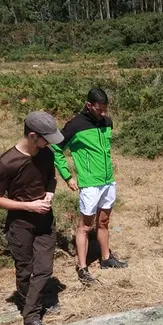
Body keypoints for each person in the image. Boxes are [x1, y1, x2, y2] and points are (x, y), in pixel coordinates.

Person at [0, 111, 65, 325]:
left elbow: (51, 179)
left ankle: (30, 317)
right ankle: (31, 304)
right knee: (25, 271)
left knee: (44, 269)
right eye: (46, 139)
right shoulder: (6, 162)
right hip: (20, 224)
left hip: (45, 221)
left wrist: (50, 194)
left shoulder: (46, 154)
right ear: (33, 136)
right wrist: (29, 206)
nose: (49, 144)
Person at [52, 87, 126, 285]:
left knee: (103, 222)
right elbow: (56, 149)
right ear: (88, 105)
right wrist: (67, 177)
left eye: (105, 110)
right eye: (99, 109)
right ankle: (82, 267)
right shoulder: (75, 125)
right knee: (85, 226)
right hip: (89, 184)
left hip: (108, 181)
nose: (103, 114)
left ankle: (105, 259)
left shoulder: (107, 123)